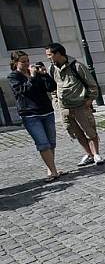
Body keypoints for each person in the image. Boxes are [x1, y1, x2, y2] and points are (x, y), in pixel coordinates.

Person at [45, 43, 104, 167]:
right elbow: (53, 88)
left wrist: (89, 100)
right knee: (75, 132)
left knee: (89, 130)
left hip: (81, 105)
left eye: (50, 55)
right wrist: (57, 103)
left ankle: (96, 154)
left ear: (58, 54)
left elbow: (92, 85)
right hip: (65, 108)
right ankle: (89, 154)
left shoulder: (76, 66)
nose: (48, 58)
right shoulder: (51, 69)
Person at [8, 51, 61, 180]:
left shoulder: (36, 73)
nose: (27, 64)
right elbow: (23, 91)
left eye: (27, 60)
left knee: (51, 142)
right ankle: (53, 171)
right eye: (23, 61)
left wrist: (45, 75)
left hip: (46, 111)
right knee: (43, 143)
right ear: (15, 63)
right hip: (30, 114)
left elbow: (51, 87)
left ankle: (51, 169)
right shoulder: (13, 77)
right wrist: (31, 77)